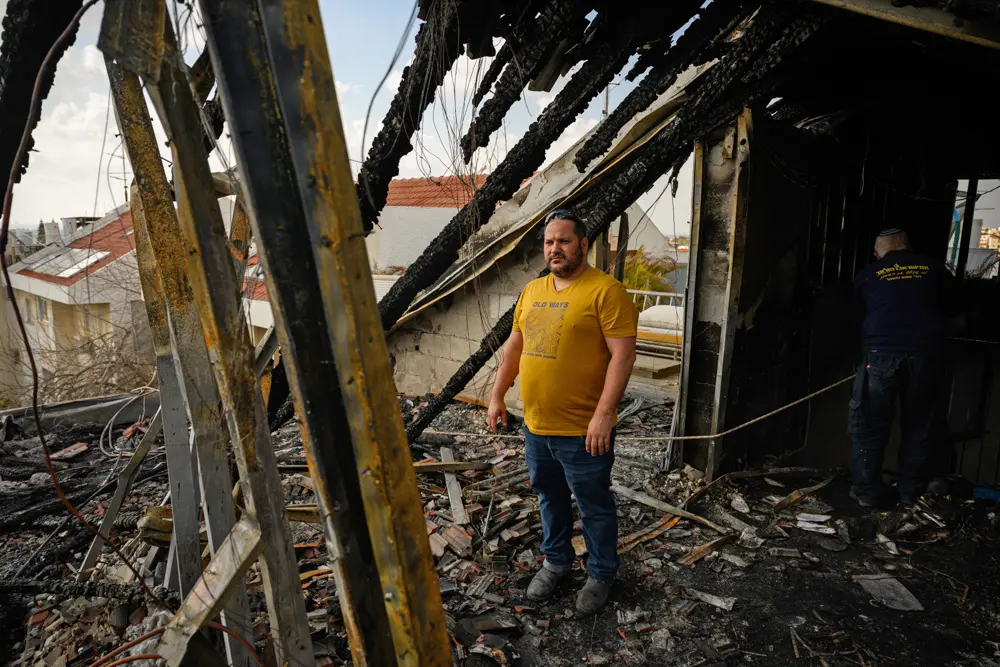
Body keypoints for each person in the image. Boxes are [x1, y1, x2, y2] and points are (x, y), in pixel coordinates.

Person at [487, 209, 638, 615]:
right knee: (549, 498)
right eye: (549, 242)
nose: (555, 248)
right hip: (537, 426)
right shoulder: (533, 290)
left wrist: (604, 413)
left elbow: (623, 356)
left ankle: (602, 573)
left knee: (593, 504)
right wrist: (498, 395)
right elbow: (514, 347)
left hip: (583, 430)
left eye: (564, 241)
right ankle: (556, 562)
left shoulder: (605, 292)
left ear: (583, 245)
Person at [849, 228, 958, 507]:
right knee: (919, 426)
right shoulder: (935, 270)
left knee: (870, 426)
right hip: (925, 356)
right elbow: (957, 313)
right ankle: (910, 494)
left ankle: (866, 494)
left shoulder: (868, 274)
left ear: (878, 254)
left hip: (880, 356)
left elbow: (859, 315)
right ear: (908, 249)